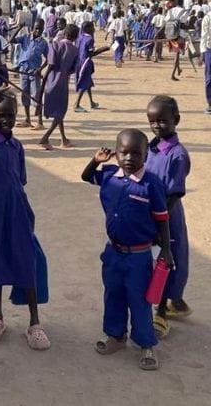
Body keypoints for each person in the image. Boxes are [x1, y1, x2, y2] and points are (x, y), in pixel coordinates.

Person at [81, 129, 172, 370]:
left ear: (145, 155)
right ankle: (116, 335)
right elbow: (85, 176)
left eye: (136, 153)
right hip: (113, 253)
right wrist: (96, 160)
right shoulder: (109, 175)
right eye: (124, 152)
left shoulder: (152, 184)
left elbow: (162, 218)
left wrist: (166, 250)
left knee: (140, 300)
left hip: (139, 256)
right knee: (113, 294)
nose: (130, 158)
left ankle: (145, 343)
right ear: (116, 153)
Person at [0, 89, 51, 351]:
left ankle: (34, 322)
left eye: (10, 115)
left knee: (26, 261)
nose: (5, 119)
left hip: (17, 211)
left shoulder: (16, 146)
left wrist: (26, 212)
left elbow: (20, 180)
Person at [145, 95, 192, 339]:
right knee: (153, 260)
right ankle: (175, 301)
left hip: (167, 216)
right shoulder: (151, 147)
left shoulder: (177, 155)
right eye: (152, 121)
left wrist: (159, 217)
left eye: (163, 121)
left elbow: (174, 193)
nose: (157, 126)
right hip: (150, 212)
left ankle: (161, 312)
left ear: (176, 120)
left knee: (167, 260)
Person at [38, 24, 80, 150]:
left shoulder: (55, 45)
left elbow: (50, 64)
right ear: (75, 37)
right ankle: (45, 137)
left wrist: (44, 79)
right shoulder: (74, 50)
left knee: (58, 111)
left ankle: (64, 139)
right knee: (60, 111)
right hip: (62, 82)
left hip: (50, 80)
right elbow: (73, 68)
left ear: (64, 33)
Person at [16, 19, 48, 128]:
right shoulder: (25, 38)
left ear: (43, 29)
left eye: (40, 29)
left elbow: (48, 59)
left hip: (35, 72)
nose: (37, 31)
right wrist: (19, 28)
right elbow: (11, 41)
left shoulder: (43, 43)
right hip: (23, 70)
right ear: (32, 28)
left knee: (36, 95)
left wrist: (40, 69)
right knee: (25, 94)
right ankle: (27, 119)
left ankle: (40, 122)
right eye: (36, 28)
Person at [73, 21, 103, 112]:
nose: (94, 29)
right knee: (84, 82)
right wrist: (102, 50)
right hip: (86, 62)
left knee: (88, 82)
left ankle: (91, 102)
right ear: (88, 29)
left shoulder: (79, 37)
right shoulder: (90, 39)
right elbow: (91, 53)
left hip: (79, 61)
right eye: (92, 27)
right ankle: (77, 104)